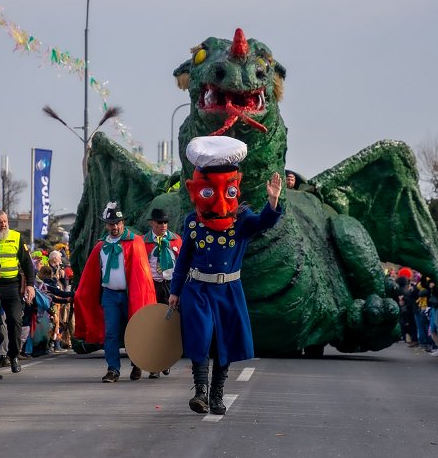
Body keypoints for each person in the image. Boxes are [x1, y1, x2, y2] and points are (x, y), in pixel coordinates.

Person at [168, 136, 283, 415]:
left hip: (228, 291)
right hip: (198, 290)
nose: (219, 203)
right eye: (208, 193)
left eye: (227, 192)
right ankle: (201, 392)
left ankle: (217, 394)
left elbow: (264, 222)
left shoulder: (242, 221)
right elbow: (183, 258)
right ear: (196, 190)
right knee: (199, 338)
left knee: (223, 343)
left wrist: (273, 200)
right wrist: (175, 290)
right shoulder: (192, 221)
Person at [74, 201, 156, 383]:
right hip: (109, 294)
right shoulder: (101, 246)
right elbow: (92, 274)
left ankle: (137, 362)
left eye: (118, 223)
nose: (115, 227)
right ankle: (113, 369)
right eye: (111, 224)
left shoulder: (135, 242)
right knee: (110, 332)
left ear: (123, 223)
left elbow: (142, 274)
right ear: (106, 225)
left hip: (130, 294)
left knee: (134, 331)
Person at [0, 210, 35, 373]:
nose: (3, 225)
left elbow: (27, 263)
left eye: (5, 221)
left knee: (15, 320)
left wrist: (30, 285)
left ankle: (14, 355)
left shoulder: (16, 237)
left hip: (12, 285)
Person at [143, 208, 182, 378]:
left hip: (171, 286)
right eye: (159, 222)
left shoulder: (176, 240)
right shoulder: (144, 242)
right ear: (152, 223)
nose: (163, 225)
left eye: (165, 222)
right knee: (153, 326)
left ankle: (166, 360)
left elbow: (183, 263)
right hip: (152, 286)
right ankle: (154, 365)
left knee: (169, 325)